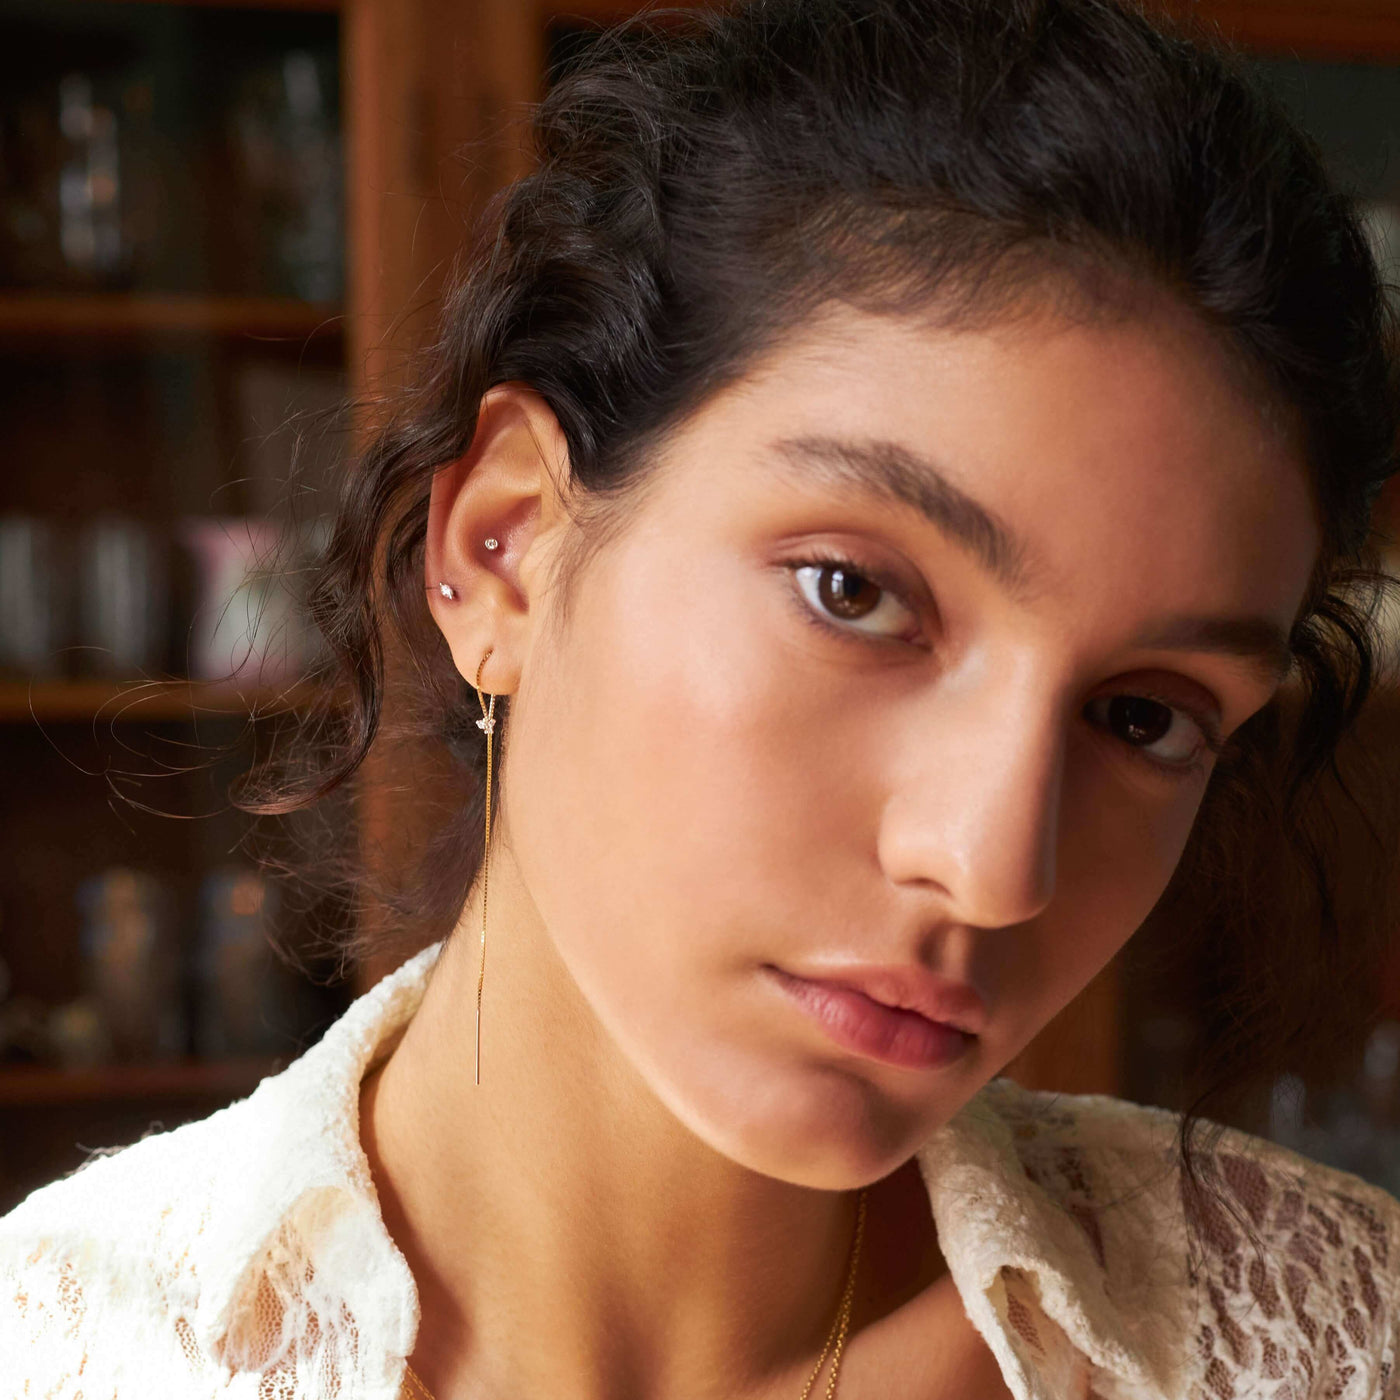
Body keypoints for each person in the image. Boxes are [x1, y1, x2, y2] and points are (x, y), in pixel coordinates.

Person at [5, 0, 1400, 1395]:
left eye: (1145, 717)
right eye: (854, 593)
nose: (990, 869)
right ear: (504, 544)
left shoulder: (1336, 1340)